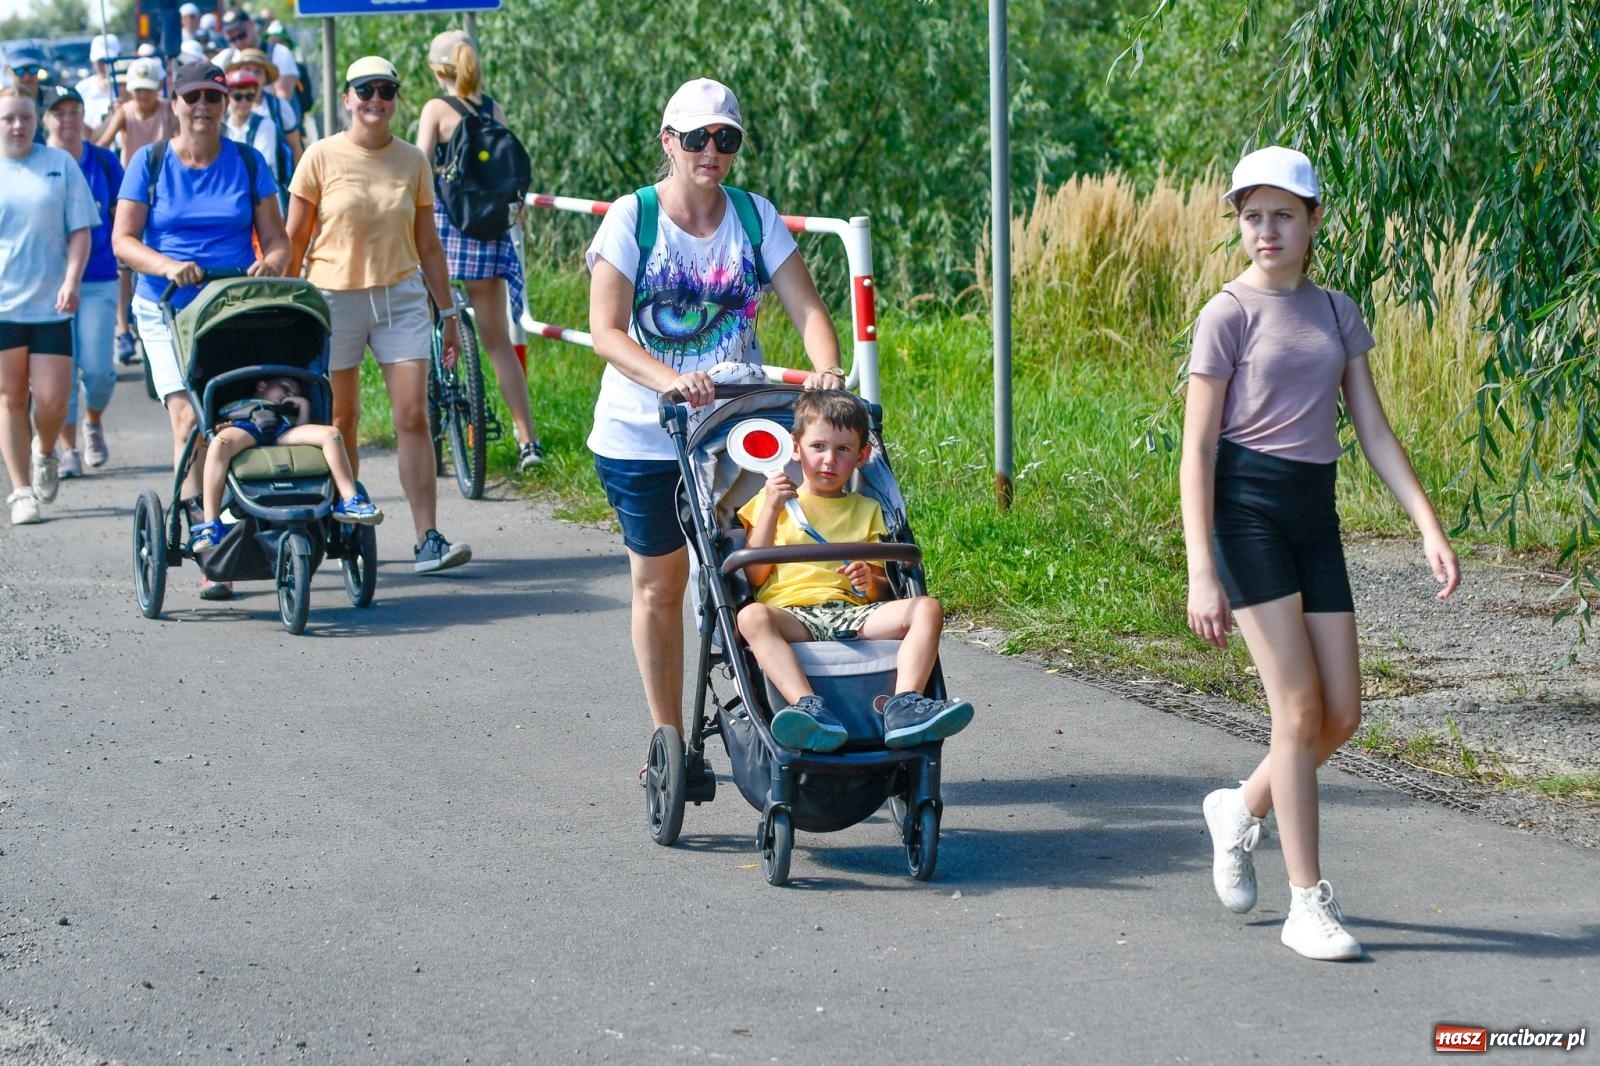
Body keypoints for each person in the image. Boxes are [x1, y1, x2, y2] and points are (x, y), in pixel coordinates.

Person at [1181, 146, 1462, 962]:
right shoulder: (1225, 314)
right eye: (1250, 215)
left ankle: (1239, 810)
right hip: (1244, 514)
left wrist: (1427, 523)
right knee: (1298, 713)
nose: (1264, 229)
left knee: (1342, 715)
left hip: (1314, 514)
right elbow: (1197, 452)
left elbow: (1371, 429)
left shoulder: (1338, 312)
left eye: (1281, 214)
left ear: (1313, 221)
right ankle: (1308, 903)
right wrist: (1203, 566)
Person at [586, 77, 846, 747]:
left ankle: (785, 713)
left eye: (725, 139)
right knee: (661, 585)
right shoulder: (632, 217)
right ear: (669, 142)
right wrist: (669, 380)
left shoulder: (753, 215)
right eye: (697, 138)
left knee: (762, 563)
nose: (711, 150)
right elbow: (607, 332)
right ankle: (670, 736)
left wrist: (827, 373)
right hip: (643, 433)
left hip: (735, 431)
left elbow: (808, 307)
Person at [284, 55, 472, 575]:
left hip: (400, 298)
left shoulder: (412, 160)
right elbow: (294, 242)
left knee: (412, 416)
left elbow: (428, 245)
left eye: (385, 91)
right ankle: (342, 523)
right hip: (333, 299)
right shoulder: (320, 157)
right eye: (364, 90)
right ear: (346, 98)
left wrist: (448, 312)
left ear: (395, 100)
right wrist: (284, 308)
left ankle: (427, 538)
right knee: (340, 421)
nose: (375, 100)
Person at [111, 60, 288, 597]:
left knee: (238, 410)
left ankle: (251, 512)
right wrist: (166, 265)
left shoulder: (249, 161)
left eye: (213, 98)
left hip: (229, 306)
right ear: (175, 102)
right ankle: (205, 532)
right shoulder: (151, 161)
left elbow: (278, 240)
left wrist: (271, 264)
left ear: (224, 102)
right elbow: (123, 240)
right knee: (188, 416)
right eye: (193, 98)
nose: (204, 108)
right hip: (165, 306)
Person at [735, 391, 975, 751]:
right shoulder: (770, 503)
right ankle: (809, 706)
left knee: (927, 607)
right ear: (795, 448)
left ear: (861, 456)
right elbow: (754, 578)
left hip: (851, 612)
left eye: (843, 450)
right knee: (751, 616)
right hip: (791, 614)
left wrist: (871, 580)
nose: (828, 460)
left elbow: (881, 592)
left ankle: (904, 704)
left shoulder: (867, 509)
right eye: (818, 446)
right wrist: (770, 507)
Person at [414, 29, 541, 471]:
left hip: (446, 233)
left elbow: (419, 169)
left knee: (433, 324)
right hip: (488, 233)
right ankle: (528, 441)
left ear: (437, 69)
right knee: (497, 341)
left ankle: (437, 418)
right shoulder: (493, 109)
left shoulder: (435, 109)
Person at [0, 86, 97, 525]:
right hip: (4, 306)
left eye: (24, 117)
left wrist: (72, 279)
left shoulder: (59, 164)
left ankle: (46, 451)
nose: (17, 126)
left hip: (52, 302)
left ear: (36, 120)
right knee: (11, 397)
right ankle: (21, 491)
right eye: (8, 119)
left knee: (54, 401)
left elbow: (80, 230)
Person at [189, 374, 382, 550]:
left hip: (284, 430)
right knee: (219, 443)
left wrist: (303, 405)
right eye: (284, 387)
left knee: (332, 434)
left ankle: (350, 501)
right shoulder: (241, 403)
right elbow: (219, 423)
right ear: (262, 384)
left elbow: (303, 428)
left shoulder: (289, 410)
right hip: (247, 428)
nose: (289, 393)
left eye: (294, 392)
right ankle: (211, 525)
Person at [43, 86, 124, 478]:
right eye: (59, 113)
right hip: (46, 284)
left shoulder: (105, 162)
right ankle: (68, 448)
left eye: (74, 111)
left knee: (98, 371)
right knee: (62, 371)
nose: (68, 120)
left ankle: (93, 421)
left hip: (98, 278)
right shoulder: (36, 162)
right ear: (47, 120)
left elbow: (125, 214)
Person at [98, 57, 176, 364]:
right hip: (131, 193)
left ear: (157, 87)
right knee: (125, 263)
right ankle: (123, 329)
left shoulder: (169, 110)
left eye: (148, 90)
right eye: (138, 90)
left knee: (158, 254)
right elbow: (102, 143)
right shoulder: (125, 111)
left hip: (166, 192)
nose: (143, 96)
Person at [215, 10, 300, 119]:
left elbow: (283, 97)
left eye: (242, 35)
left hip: (273, 125)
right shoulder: (227, 57)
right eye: (233, 39)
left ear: (251, 25)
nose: (239, 42)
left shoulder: (279, 53)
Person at [223, 49, 300, 167]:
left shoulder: (279, 107)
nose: (252, 75)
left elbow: (295, 146)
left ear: (265, 78)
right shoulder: (225, 111)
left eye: (258, 71)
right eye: (247, 70)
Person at [222, 67, 286, 202]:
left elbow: (261, 164)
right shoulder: (221, 127)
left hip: (262, 199)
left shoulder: (265, 125)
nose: (244, 102)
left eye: (249, 97)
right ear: (227, 98)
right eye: (238, 97)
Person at [74, 34, 120, 135]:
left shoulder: (127, 87)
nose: (104, 65)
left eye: (108, 61)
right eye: (100, 61)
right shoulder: (82, 88)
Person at [6, 49, 48, 143]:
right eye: (19, 71)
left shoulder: (54, 101)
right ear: (8, 71)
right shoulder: (2, 105)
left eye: (33, 69)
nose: (27, 77)